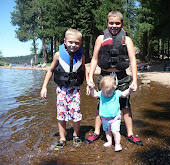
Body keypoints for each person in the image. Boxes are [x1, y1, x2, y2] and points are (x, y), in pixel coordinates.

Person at [86, 10, 143, 146]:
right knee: (101, 104)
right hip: (105, 76)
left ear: (122, 24)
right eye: (111, 23)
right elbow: (94, 59)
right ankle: (97, 132)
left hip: (122, 77)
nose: (114, 26)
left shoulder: (127, 40)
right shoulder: (100, 38)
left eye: (117, 23)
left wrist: (134, 80)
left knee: (126, 105)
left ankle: (130, 133)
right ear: (107, 23)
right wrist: (89, 78)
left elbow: (133, 61)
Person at [41, 28, 88, 150]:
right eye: (70, 42)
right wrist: (44, 87)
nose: (73, 45)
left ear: (80, 43)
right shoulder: (58, 55)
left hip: (75, 89)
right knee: (61, 114)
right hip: (61, 89)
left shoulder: (81, 56)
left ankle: (76, 135)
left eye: (77, 43)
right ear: (64, 41)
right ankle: (62, 138)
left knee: (76, 113)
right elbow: (50, 70)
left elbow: (84, 69)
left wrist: (89, 83)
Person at [88, 76, 135, 151]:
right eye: (104, 92)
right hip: (104, 118)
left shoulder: (116, 93)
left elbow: (125, 94)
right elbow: (94, 94)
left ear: (114, 88)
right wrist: (91, 89)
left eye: (109, 92)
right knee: (107, 131)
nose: (106, 94)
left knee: (115, 131)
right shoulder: (101, 94)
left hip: (115, 118)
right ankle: (109, 141)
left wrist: (130, 89)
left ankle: (117, 144)